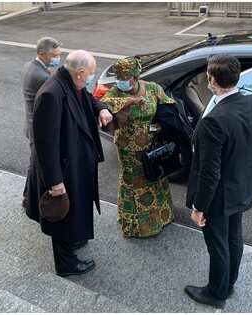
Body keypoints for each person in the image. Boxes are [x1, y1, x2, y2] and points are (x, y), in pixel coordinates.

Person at [184, 54, 252, 308]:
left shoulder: (213, 121)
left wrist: (199, 207)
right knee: (234, 238)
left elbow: (209, 173)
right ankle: (229, 283)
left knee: (218, 245)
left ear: (211, 81)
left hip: (219, 196)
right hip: (244, 188)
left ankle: (216, 293)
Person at [24, 50, 113, 276]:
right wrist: (54, 182)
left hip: (75, 163)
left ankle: (73, 242)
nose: (92, 79)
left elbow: (87, 98)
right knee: (61, 215)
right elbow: (45, 144)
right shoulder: (51, 94)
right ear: (81, 73)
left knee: (73, 211)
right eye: (91, 74)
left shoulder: (71, 81)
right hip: (62, 170)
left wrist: (101, 108)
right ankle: (66, 265)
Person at [100, 57, 175, 238]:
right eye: (118, 78)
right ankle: (137, 226)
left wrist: (161, 124)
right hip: (128, 149)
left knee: (155, 177)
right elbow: (103, 105)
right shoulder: (116, 92)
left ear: (135, 77)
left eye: (124, 78)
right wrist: (130, 101)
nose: (120, 82)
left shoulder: (152, 88)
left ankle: (162, 217)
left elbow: (169, 106)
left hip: (152, 145)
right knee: (134, 182)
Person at [21, 37, 62, 212]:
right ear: (41, 54)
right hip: (37, 129)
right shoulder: (42, 76)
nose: (57, 58)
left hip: (30, 124)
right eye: (54, 55)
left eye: (59, 54)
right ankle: (29, 199)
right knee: (36, 164)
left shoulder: (30, 66)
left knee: (34, 162)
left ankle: (27, 197)